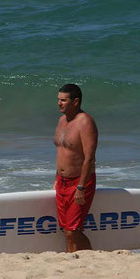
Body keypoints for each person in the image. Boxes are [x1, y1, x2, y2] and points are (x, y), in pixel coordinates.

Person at [53, 84, 98, 252]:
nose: (59, 103)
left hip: (78, 182)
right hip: (62, 182)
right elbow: (62, 152)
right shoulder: (62, 120)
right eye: (58, 100)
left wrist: (81, 187)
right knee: (66, 230)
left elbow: (89, 158)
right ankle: (71, 259)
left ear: (75, 102)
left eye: (63, 100)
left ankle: (92, 257)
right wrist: (56, 178)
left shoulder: (85, 122)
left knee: (72, 230)